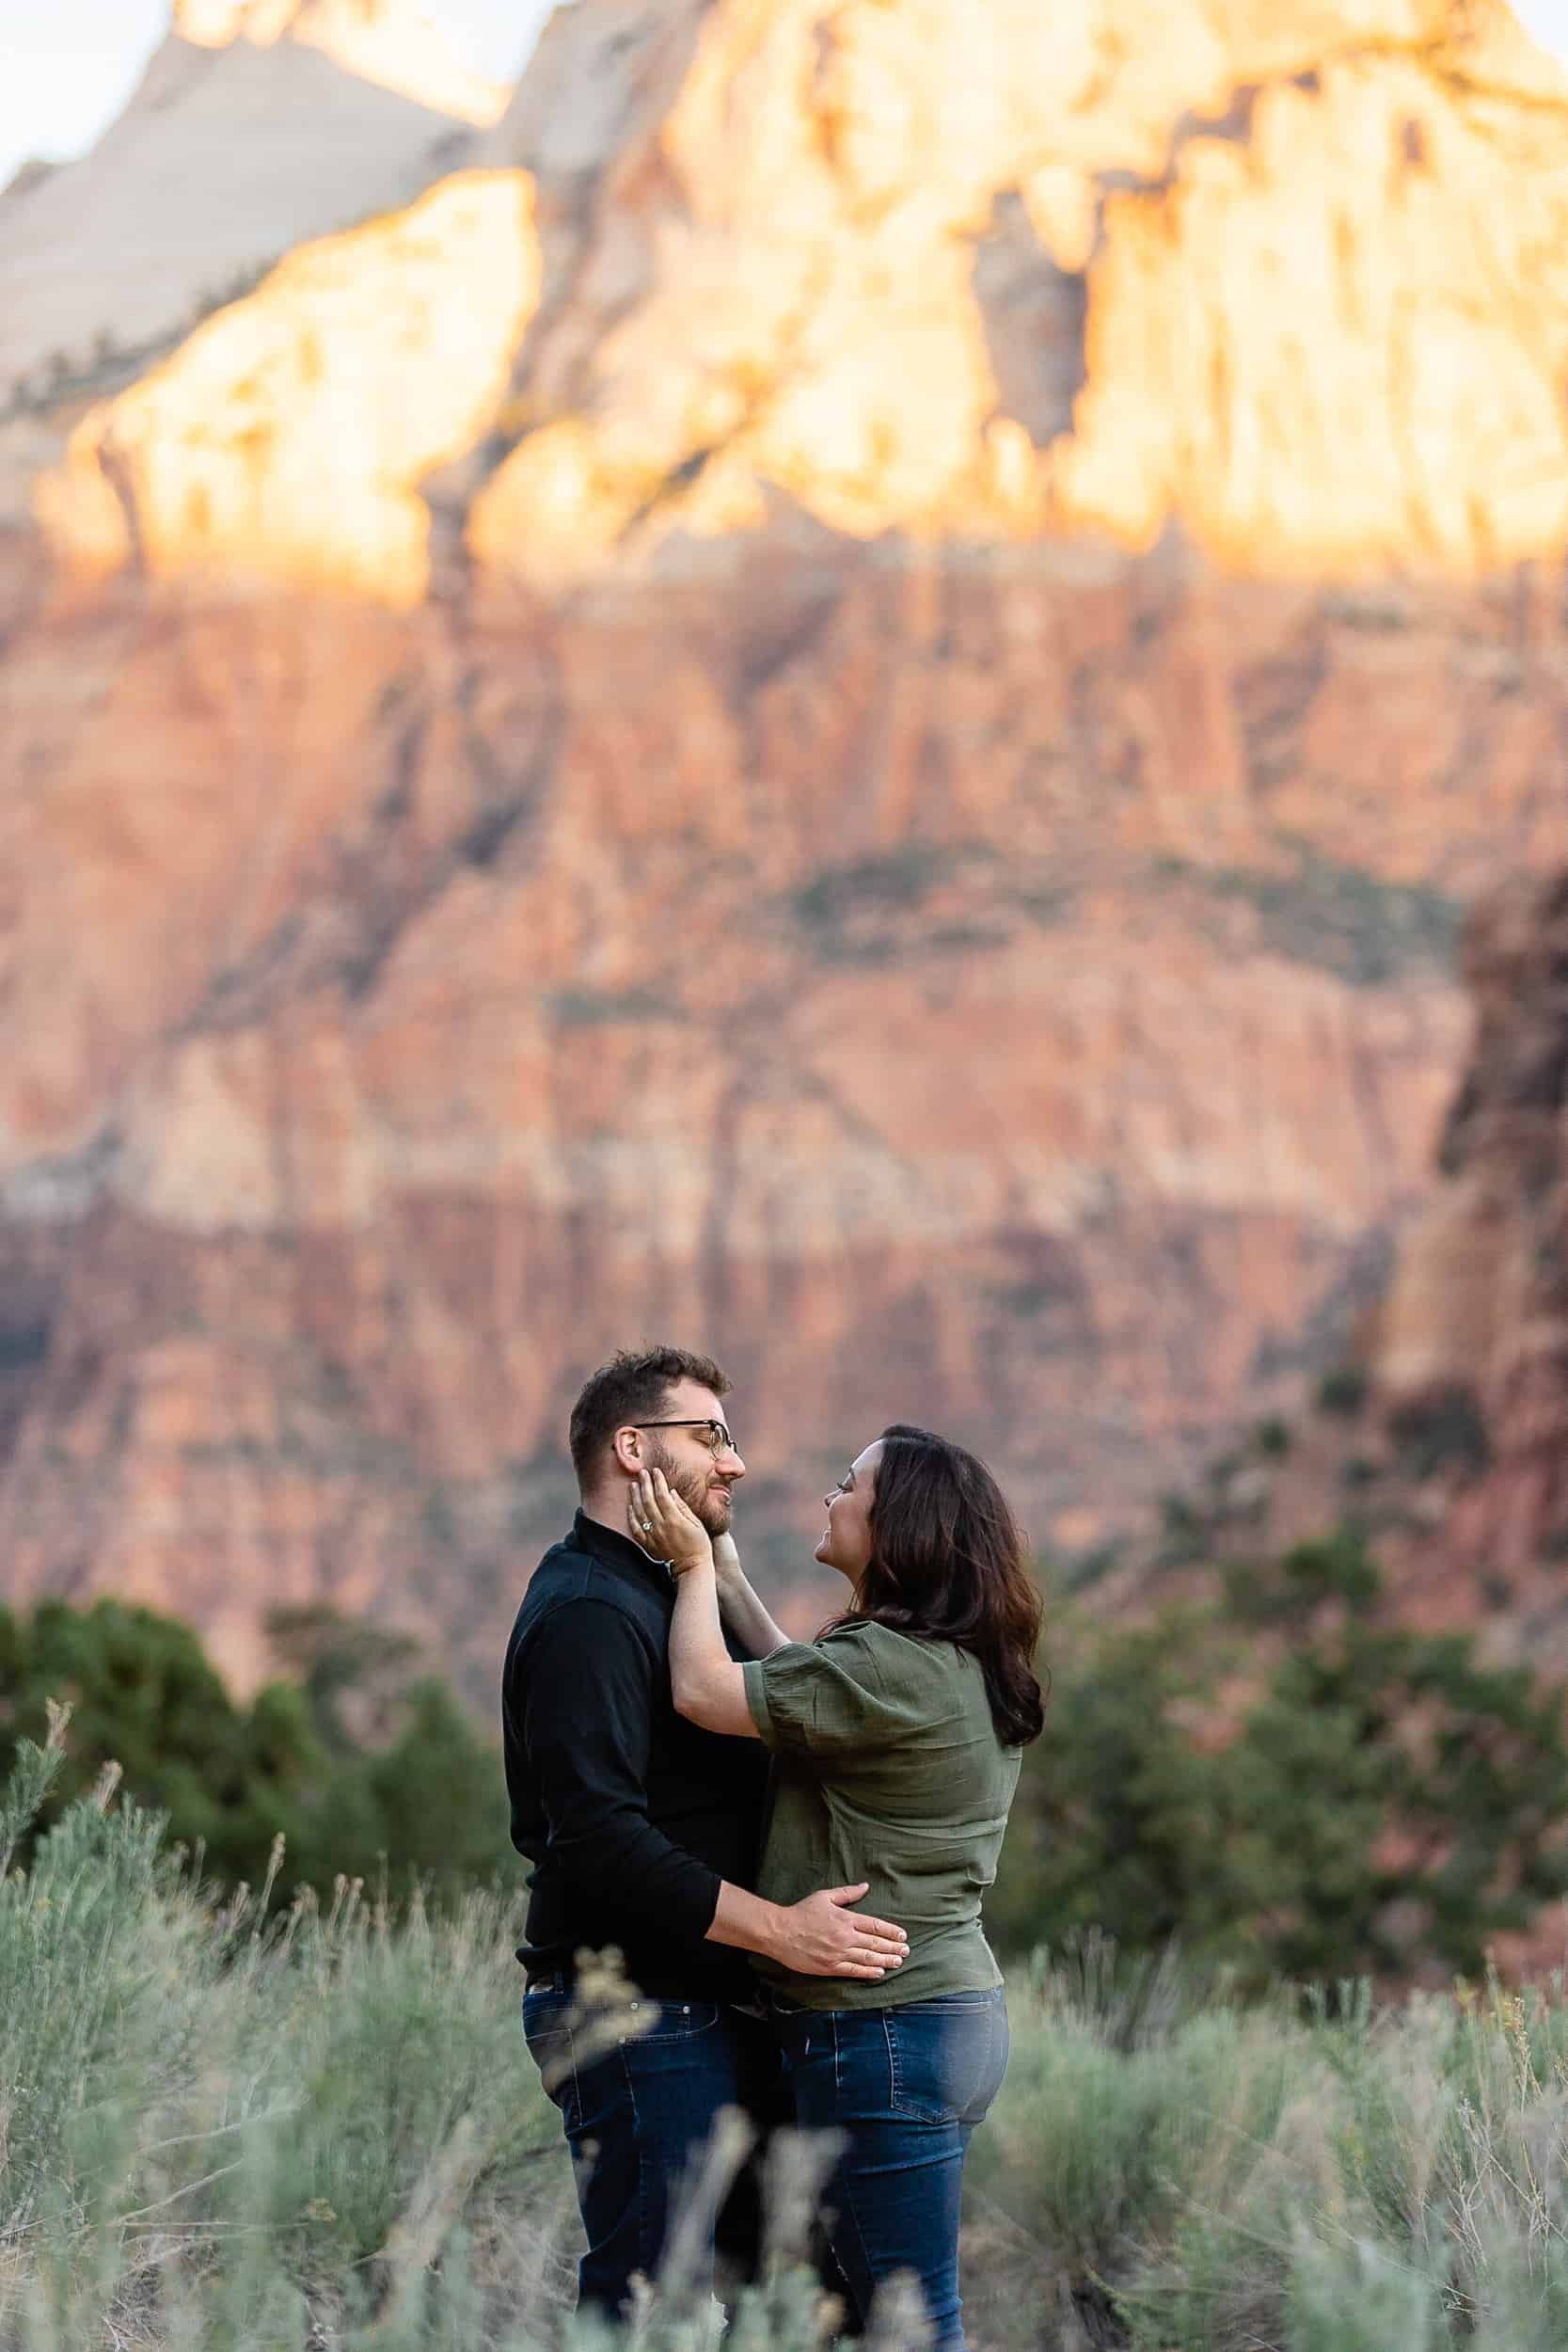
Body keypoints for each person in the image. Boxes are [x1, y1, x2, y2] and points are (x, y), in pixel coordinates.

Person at [501, 1347, 910, 2327]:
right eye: (710, 1436)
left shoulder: (658, 1595)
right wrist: (780, 1931)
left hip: (697, 2012)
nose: (734, 1462)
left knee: (769, 2300)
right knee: (652, 2309)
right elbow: (596, 1834)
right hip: (638, 2019)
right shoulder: (589, 1612)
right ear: (631, 1448)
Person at [631, 1422, 1044, 2352]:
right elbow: (806, 1685)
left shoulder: (888, 1667)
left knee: (904, 2324)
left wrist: (692, 1570)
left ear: (897, 1525)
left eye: (845, 1485)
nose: (828, 1496)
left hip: (885, 2029)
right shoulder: (940, 1660)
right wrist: (732, 1575)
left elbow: (706, 1691)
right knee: (861, 2316)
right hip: (935, 2015)